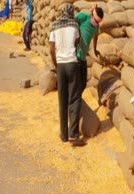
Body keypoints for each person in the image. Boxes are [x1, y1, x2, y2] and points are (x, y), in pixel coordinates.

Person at [49, 3, 85, 146]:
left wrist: (56, 64)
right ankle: (73, 135)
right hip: (72, 63)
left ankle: (63, 134)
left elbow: (51, 49)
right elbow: (77, 42)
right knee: (74, 99)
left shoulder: (54, 25)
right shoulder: (74, 25)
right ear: (71, 13)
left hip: (61, 65)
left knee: (62, 99)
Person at [75, 4, 104, 93]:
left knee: (83, 83)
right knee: (76, 82)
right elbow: (71, 21)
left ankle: (76, 100)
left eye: (98, 22)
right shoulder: (84, 17)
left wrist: (95, 50)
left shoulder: (96, 26)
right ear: (92, 15)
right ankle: (75, 101)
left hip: (83, 57)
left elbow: (95, 37)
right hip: (75, 55)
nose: (96, 23)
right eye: (95, 20)